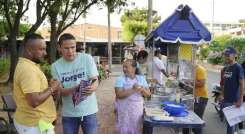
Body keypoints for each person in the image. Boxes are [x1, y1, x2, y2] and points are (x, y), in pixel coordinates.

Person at [51, 33, 99, 134]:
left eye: (73, 47)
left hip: (89, 111)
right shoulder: (55, 66)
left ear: (76, 45)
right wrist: (76, 88)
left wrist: (92, 88)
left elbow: (95, 80)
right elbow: (60, 91)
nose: (70, 51)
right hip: (69, 114)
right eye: (66, 48)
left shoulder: (87, 58)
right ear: (59, 48)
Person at [13, 33, 61, 134]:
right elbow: (34, 101)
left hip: (38, 122)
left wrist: (49, 87)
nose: (45, 53)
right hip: (35, 124)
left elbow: (36, 93)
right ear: (29, 51)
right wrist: (52, 88)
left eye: (45, 49)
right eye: (41, 49)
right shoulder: (28, 70)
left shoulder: (30, 65)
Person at [114, 59, 151, 134]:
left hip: (136, 109)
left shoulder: (141, 78)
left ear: (134, 68)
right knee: (124, 129)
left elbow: (148, 94)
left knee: (136, 128)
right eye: (123, 67)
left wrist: (142, 89)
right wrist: (133, 89)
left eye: (126, 67)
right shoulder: (120, 79)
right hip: (124, 110)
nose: (124, 69)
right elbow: (119, 95)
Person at [220, 47, 244, 134]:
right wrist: (221, 95)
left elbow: (242, 84)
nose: (226, 57)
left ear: (234, 55)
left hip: (233, 101)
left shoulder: (238, 67)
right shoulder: (226, 68)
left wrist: (240, 100)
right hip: (225, 100)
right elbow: (224, 83)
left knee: (231, 126)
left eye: (227, 55)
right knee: (227, 123)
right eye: (225, 55)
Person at [193, 64, 208, 134]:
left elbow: (202, 83)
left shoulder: (200, 69)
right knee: (193, 119)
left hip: (201, 97)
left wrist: (190, 81)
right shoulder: (194, 69)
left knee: (197, 120)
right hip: (196, 97)